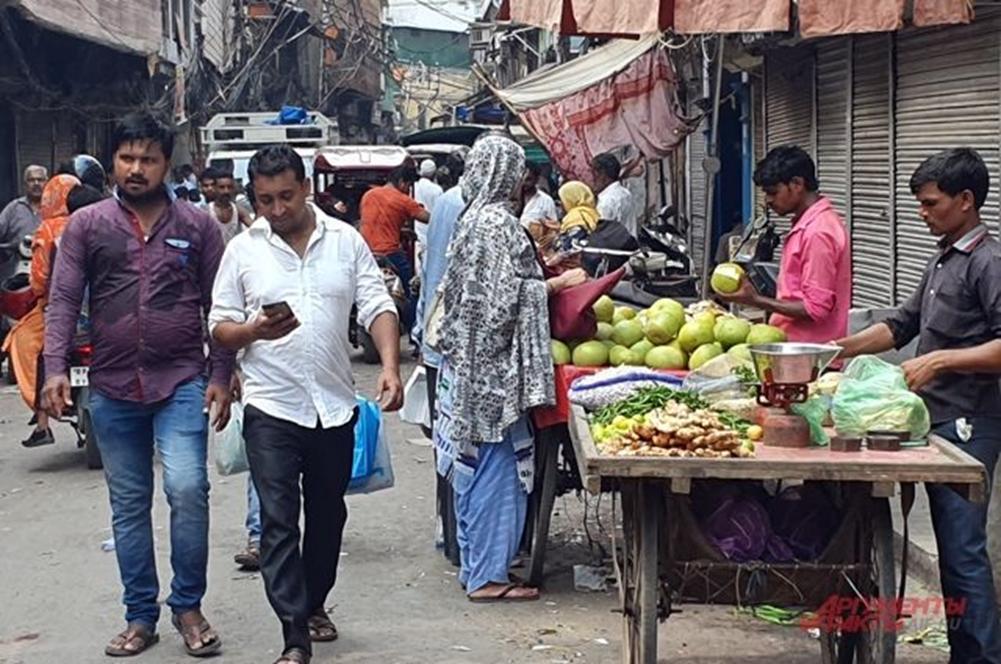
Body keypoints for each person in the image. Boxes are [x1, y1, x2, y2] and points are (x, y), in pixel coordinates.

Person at [42, 111, 234, 658]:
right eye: (127, 157)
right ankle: (139, 615)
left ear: (166, 164)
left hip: (180, 382)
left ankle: (189, 606)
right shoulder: (88, 226)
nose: (136, 168)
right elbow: (62, 299)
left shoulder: (196, 226)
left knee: (187, 491)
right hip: (111, 385)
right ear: (112, 163)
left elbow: (219, 307)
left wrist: (221, 373)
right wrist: (56, 368)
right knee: (129, 505)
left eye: (148, 158)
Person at [210, 145, 403, 664]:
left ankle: (314, 601)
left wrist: (388, 365)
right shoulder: (243, 251)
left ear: (306, 190)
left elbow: (377, 304)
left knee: (326, 515)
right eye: (266, 199)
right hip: (271, 407)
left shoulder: (345, 241)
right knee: (277, 519)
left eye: (286, 197)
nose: (276, 209)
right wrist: (253, 330)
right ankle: (294, 635)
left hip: (334, 406)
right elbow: (220, 326)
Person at [835, 148, 1001, 662]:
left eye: (931, 204)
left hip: (970, 423)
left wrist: (941, 362)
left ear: (966, 200)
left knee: (962, 552)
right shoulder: (944, 255)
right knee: (954, 554)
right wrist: (832, 352)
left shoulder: (988, 263)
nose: (922, 214)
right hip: (935, 420)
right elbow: (901, 325)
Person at [431, 133, 555, 602]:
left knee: (472, 465)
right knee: (496, 469)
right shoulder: (498, 225)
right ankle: (488, 576)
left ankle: (477, 564)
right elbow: (503, 302)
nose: (524, 179)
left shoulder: (472, 219)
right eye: (519, 170)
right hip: (492, 373)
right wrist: (550, 284)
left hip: (469, 366)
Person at [718, 146, 851, 343]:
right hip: (792, 346)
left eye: (773, 192)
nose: (768, 200)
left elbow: (815, 308)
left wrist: (755, 300)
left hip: (810, 354)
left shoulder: (818, 232)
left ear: (797, 184)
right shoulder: (806, 225)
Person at [2, 174, 79, 447]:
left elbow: (38, 279)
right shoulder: (91, 223)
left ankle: (41, 417)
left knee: (23, 343)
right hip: (95, 309)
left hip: (54, 307)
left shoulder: (46, 230)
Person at [359, 164, 430, 330]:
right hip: (391, 255)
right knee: (414, 289)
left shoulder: (368, 196)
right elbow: (428, 218)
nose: (407, 189)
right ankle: (413, 332)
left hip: (367, 254)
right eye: (408, 185)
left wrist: (403, 231)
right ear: (402, 182)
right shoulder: (402, 200)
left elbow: (379, 222)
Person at [0, 165, 47, 282]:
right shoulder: (13, 208)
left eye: (40, 180)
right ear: (25, 183)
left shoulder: (54, 208)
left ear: (47, 182)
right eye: (31, 180)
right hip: (14, 277)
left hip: (45, 276)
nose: (36, 183)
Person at [592, 153, 635, 236]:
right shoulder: (626, 193)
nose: (593, 178)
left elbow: (601, 235)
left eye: (594, 173)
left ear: (602, 174)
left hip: (614, 247)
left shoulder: (606, 201)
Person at [555, 181, 600, 253]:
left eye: (562, 200)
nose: (560, 204)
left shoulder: (574, 217)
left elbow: (568, 247)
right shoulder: (591, 212)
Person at [209, 170, 251, 243]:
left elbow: (254, 228)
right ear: (214, 188)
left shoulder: (238, 210)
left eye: (229, 187)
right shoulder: (206, 212)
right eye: (222, 187)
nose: (226, 191)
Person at [519, 161, 558, 228]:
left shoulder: (546, 201)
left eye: (528, 179)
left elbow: (553, 228)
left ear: (537, 179)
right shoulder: (510, 199)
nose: (523, 183)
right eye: (521, 179)